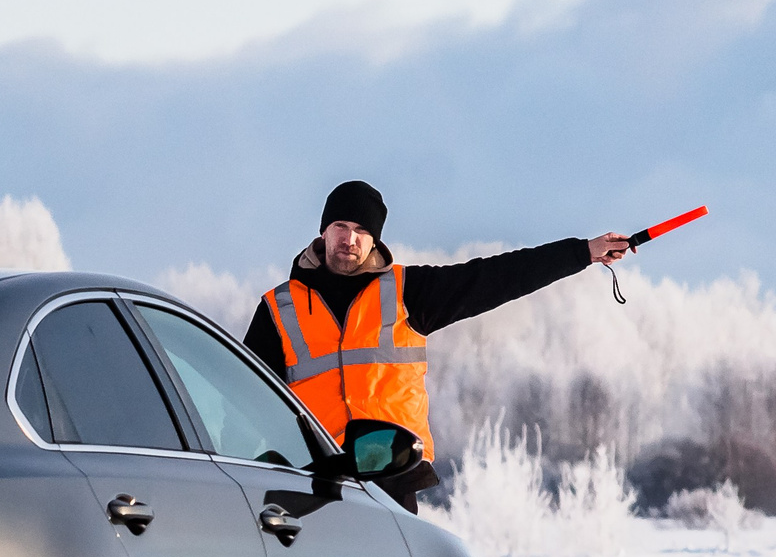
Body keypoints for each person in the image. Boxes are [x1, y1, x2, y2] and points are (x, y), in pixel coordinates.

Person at [244, 180, 631, 510]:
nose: (349, 239)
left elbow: (496, 277)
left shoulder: (406, 291)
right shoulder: (280, 309)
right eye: (340, 226)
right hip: (313, 484)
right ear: (324, 231)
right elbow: (242, 400)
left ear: (375, 237)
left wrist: (581, 252)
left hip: (392, 479)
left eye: (362, 230)